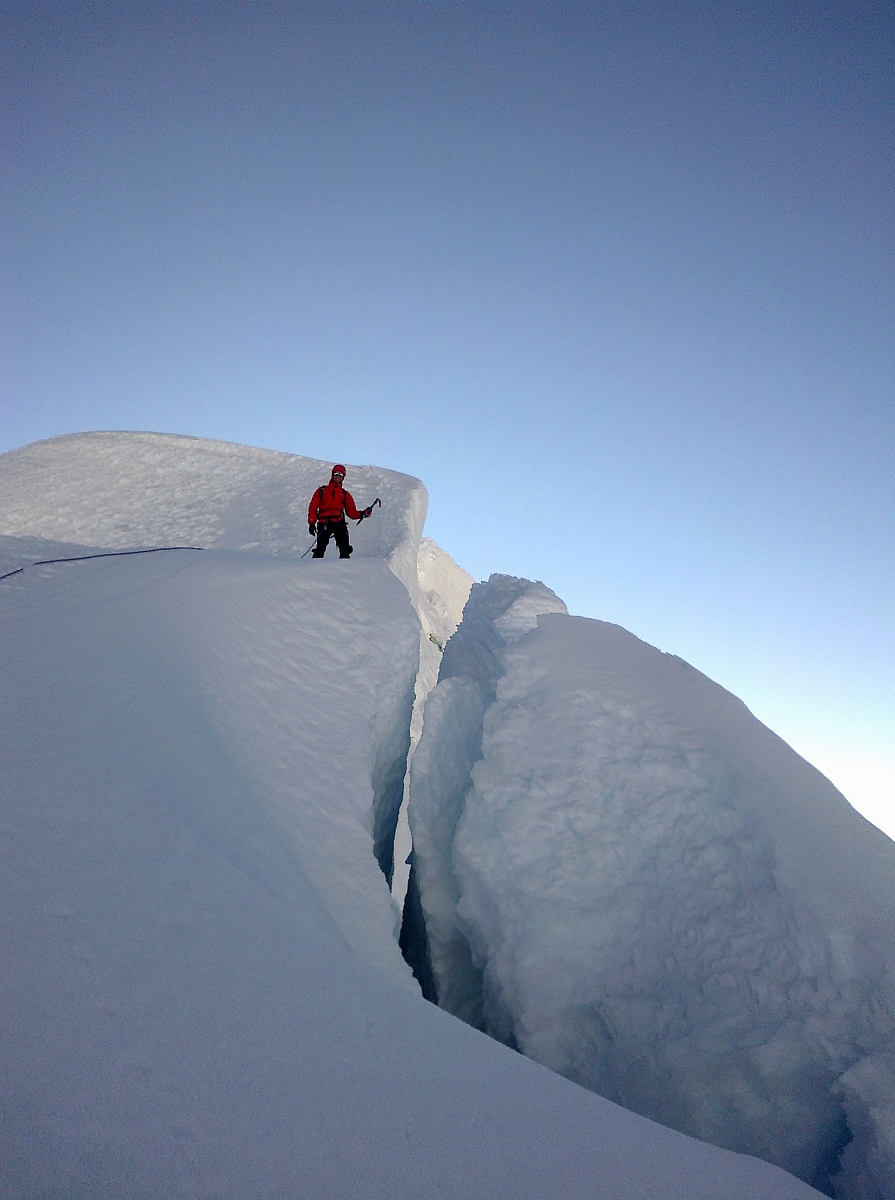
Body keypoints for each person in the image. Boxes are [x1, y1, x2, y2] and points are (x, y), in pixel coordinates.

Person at [308, 464, 373, 559]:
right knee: (320, 549)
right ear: (332, 475)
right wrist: (311, 523)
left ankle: (344, 570)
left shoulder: (345, 494)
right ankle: (314, 571)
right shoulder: (321, 490)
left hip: (339, 523)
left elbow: (351, 512)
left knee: (345, 549)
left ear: (343, 477)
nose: (338, 476)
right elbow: (312, 507)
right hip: (324, 522)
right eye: (336, 474)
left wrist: (362, 514)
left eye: (340, 475)